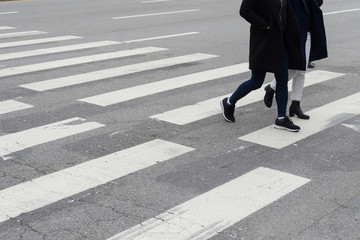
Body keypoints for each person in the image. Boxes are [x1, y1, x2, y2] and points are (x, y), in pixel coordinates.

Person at [221, 0, 305, 132]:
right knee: (256, 81)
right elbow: (245, 10)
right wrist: (265, 26)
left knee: (282, 79)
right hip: (263, 41)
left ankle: (281, 119)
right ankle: (229, 102)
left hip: (279, 41)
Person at [263, 0, 327, 119]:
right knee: (293, 69)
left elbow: (318, 3)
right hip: (294, 33)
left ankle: (296, 104)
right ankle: (272, 87)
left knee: (302, 71)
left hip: (308, 31)